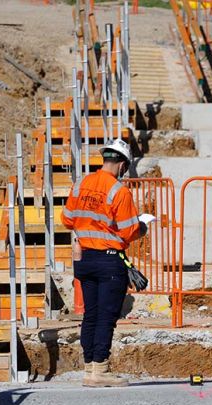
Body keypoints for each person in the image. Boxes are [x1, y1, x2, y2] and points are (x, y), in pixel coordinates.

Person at [61, 138, 155, 387]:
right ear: (123, 164)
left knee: (90, 315)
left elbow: (67, 219)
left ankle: (90, 367)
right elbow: (128, 231)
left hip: (85, 260)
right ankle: (100, 370)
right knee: (106, 317)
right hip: (109, 261)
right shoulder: (118, 191)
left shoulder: (81, 183)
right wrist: (143, 226)